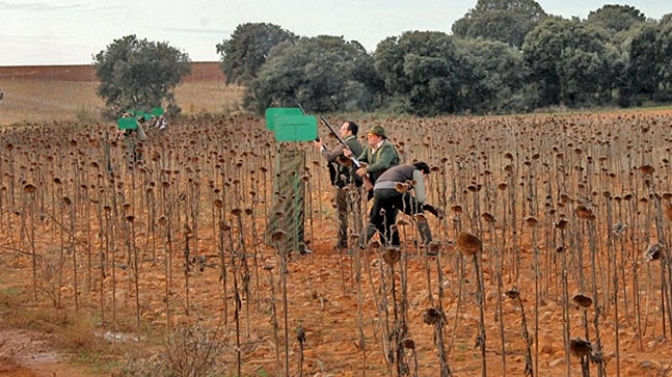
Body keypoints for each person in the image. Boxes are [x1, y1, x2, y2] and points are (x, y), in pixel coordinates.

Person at [315, 121, 364, 249]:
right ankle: (360, 242)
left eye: (343, 129)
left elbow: (330, 157)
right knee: (356, 213)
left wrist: (320, 148)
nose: (340, 131)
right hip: (358, 184)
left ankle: (342, 243)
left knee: (342, 213)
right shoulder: (358, 144)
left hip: (346, 184)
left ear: (349, 132)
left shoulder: (347, 144)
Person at [366, 161, 433, 247]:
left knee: (375, 219)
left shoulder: (401, 169)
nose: (424, 179)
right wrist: (422, 206)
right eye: (425, 176)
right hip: (393, 188)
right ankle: (428, 243)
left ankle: (360, 243)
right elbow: (420, 197)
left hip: (378, 189)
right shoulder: (416, 171)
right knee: (418, 211)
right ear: (422, 171)